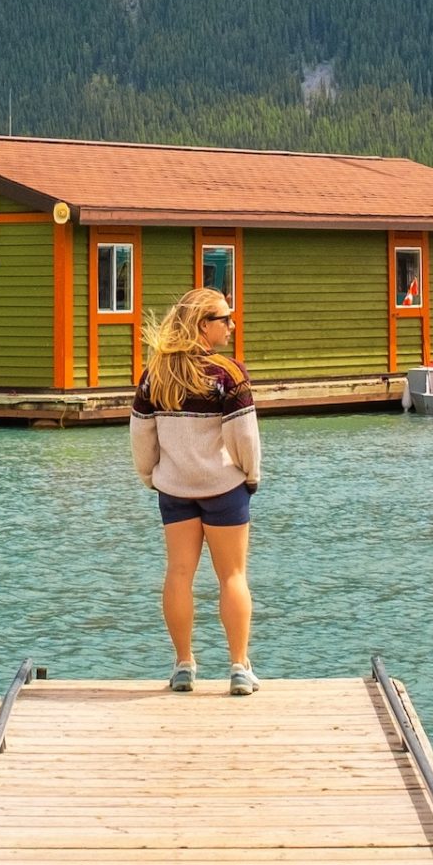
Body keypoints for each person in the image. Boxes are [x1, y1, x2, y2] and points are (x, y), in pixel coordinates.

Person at [131, 287, 261, 695]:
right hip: (224, 487)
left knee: (179, 574)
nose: (232, 325)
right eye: (226, 318)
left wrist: (151, 476)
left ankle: (183, 665)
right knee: (233, 576)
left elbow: (141, 435)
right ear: (204, 325)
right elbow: (244, 437)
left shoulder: (156, 375)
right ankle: (239, 667)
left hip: (175, 489)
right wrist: (250, 476)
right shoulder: (229, 374)